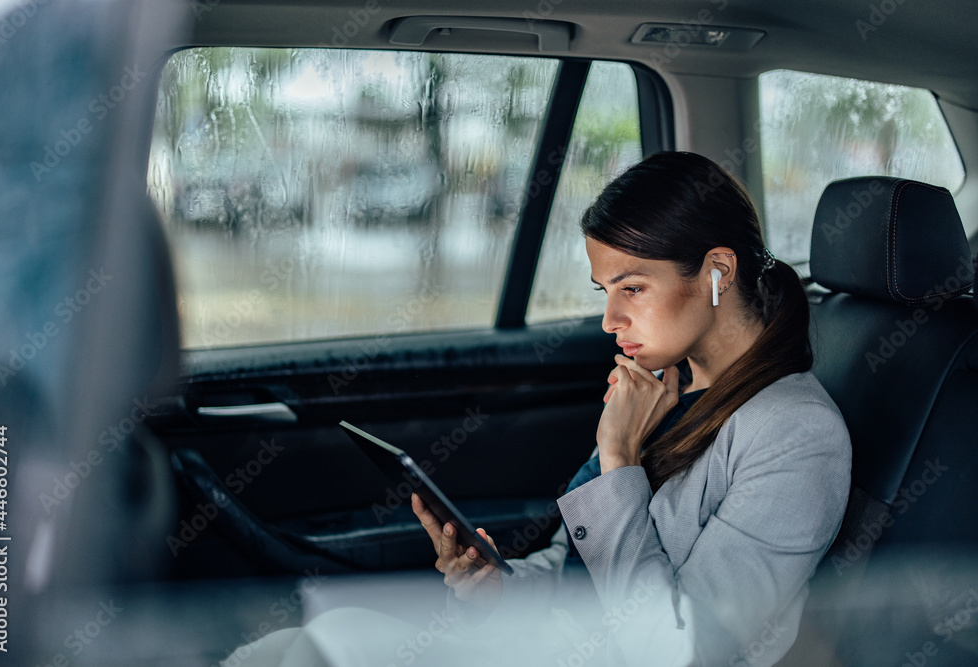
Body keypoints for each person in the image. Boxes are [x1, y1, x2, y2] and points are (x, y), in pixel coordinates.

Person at [222, 151, 851, 666]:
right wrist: (502, 589)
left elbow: (680, 652)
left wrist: (619, 458)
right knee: (288, 644)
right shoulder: (666, 386)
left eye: (632, 288)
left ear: (717, 271)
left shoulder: (796, 433)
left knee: (329, 646)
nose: (610, 320)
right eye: (606, 292)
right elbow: (580, 567)